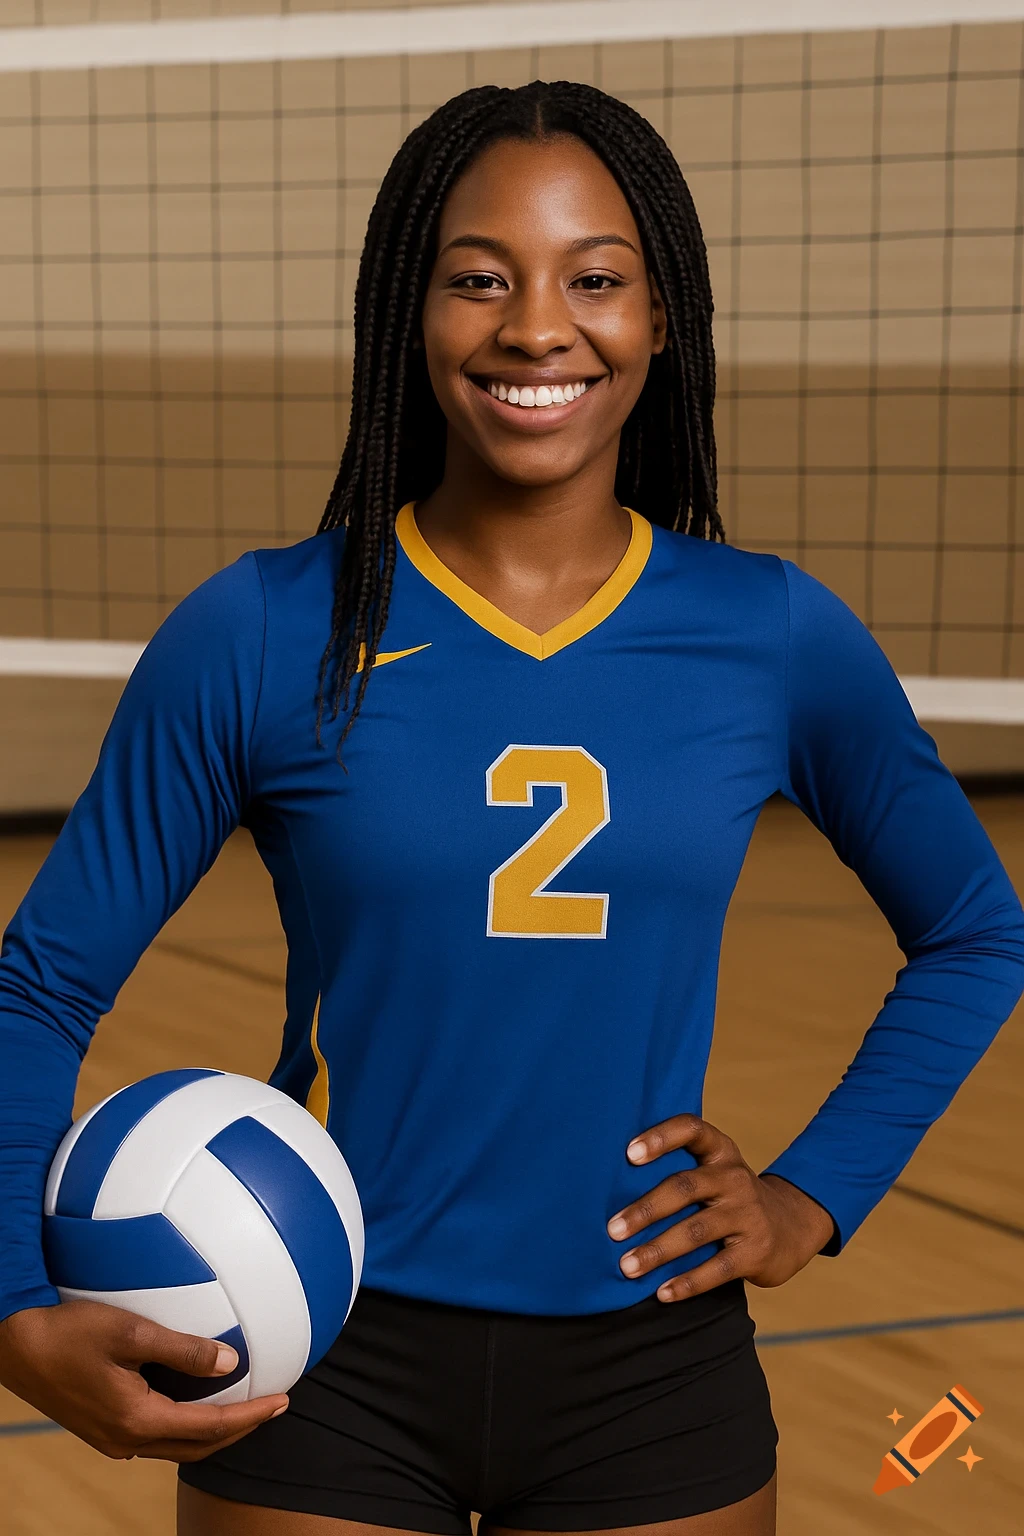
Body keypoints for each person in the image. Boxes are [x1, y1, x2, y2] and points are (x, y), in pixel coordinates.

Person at [0, 80, 1022, 1536]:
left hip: (650, 1359)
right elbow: (34, 988)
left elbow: (977, 932)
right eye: (479, 278)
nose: (538, 325)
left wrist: (812, 1196)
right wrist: (12, 1309)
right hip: (315, 1348)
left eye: (596, 278)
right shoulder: (263, 631)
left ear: (662, 321)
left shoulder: (771, 635)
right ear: (407, 317)